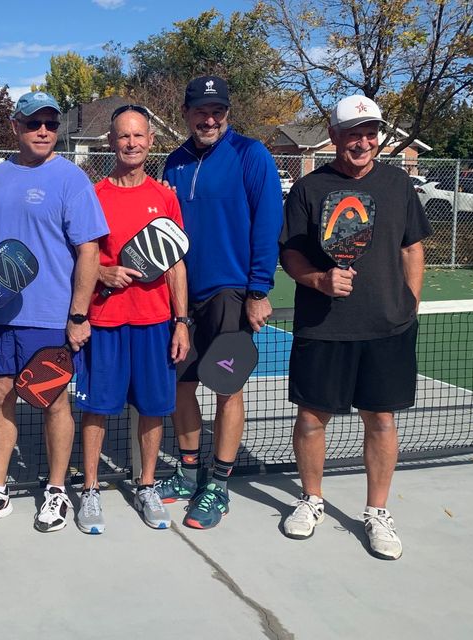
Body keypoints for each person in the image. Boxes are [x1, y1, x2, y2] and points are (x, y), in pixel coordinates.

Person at [278, 95, 430, 560]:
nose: (363, 141)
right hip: (323, 328)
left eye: (370, 132)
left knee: (380, 420)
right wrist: (319, 280)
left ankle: (377, 512)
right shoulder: (309, 188)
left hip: (387, 328)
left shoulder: (398, 184)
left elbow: (412, 248)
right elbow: (291, 254)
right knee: (310, 419)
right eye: (353, 132)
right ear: (335, 135)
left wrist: (409, 303)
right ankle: (311, 499)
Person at [0, 91, 108, 533]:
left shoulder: (71, 179)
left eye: (50, 123)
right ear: (16, 127)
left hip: (50, 318)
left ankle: (57, 490)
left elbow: (89, 251)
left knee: (55, 403)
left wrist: (78, 315)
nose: (43, 131)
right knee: (0, 399)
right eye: (33, 123)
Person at [160, 75, 283, 529]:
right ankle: (189, 470)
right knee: (181, 385)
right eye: (200, 111)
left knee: (227, 389)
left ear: (227, 113)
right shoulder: (173, 162)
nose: (209, 119)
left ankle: (219, 484)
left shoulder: (252, 155)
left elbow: (268, 224)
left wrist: (257, 291)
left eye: (217, 111)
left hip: (231, 293)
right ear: (187, 114)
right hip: (180, 298)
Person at [75, 105, 190, 534]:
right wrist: (102, 273)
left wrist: (181, 321)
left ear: (150, 141)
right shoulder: (94, 194)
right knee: (97, 410)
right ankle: (89, 489)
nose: (132, 143)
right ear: (111, 141)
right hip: (104, 322)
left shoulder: (165, 197)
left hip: (154, 322)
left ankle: (146, 486)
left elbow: (176, 263)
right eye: (124, 136)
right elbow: (79, 256)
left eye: (139, 135)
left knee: (153, 409)